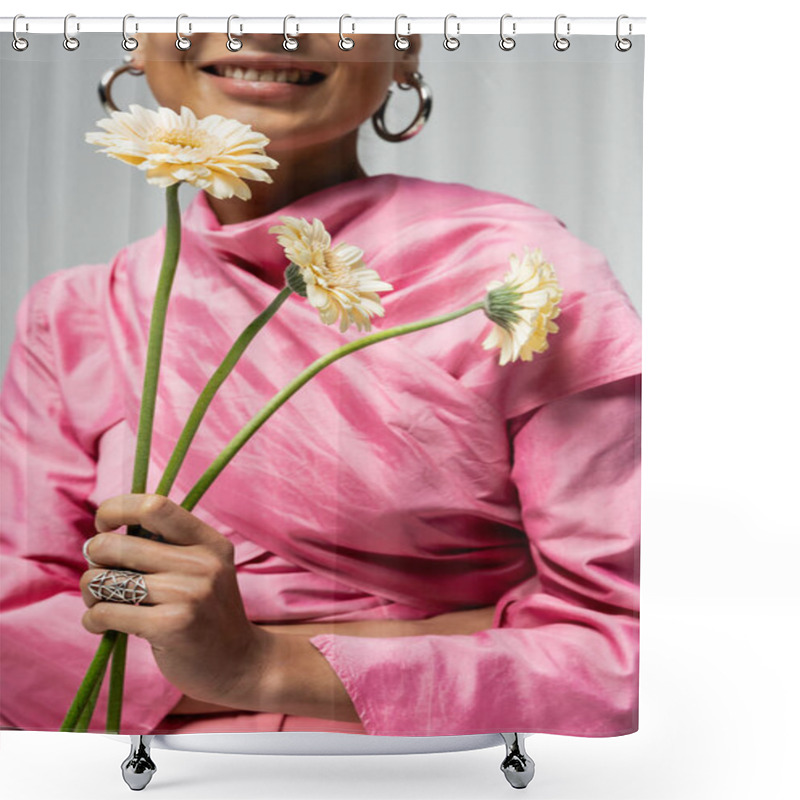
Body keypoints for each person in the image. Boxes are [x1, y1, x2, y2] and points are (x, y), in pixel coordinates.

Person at [0, 33, 641, 736]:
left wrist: (259, 663)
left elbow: (630, 651)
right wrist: (459, 631)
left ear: (405, 51)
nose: (270, 26)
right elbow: (16, 636)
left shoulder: (531, 287)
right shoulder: (79, 316)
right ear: (137, 37)